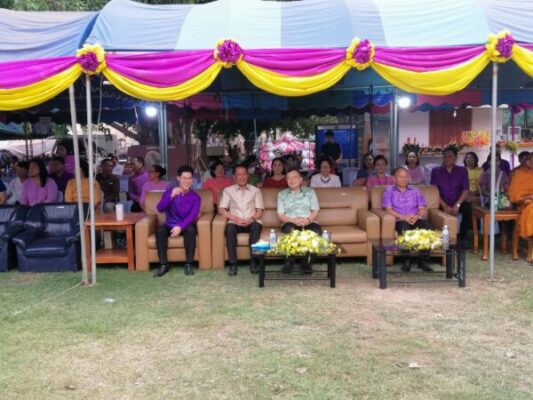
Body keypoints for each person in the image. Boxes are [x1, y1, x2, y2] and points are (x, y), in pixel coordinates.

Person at [153, 165, 201, 277]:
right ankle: (163, 265)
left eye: (189, 178)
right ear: (178, 178)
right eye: (184, 178)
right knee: (160, 230)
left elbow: (192, 216)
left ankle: (189, 264)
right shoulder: (169, 192)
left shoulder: (196, 197)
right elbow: (160, 208)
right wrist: (171, 196)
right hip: (170, 224)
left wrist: (180, 226)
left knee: (191, 230)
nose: (187, 181)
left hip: (186, 224)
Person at [218, 164, 264, 276]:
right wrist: (234, 218)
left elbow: (259, 211)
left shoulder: (256, 190)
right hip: (235, 221)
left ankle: (254, 262)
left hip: (251, 220)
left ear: (248, 175)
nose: (242, 177)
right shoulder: (228, 191)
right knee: (229, 229)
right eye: (239, 175)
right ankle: (233, 264)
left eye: (244, 174)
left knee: (256, 227)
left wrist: (252, 219)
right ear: (234, 177)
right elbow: (222, 209)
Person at [383, 167, 432, 272]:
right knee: (405, 229)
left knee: (427, 227)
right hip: (400, 220)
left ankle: (423, 261)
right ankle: (406, 260)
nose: (403, 179)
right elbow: (388, 209)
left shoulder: (416, 190)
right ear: (394, 178)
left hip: (415, 218)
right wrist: (403, 217)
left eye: (406, 177)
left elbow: (422, 207)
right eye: (400, 177)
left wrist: (417, 216)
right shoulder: (389, 191)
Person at [277, 168, 321, 274]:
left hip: (308, 221)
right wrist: (293, 220)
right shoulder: (282, 194)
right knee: (288, 229)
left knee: (315, 230)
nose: (292, 180)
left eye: (295, 177)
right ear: (286, 180)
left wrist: (308, 220)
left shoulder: (310, 192)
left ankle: (307, 262)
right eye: (289, 178)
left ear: (301, 179)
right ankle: (289, 262)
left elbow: (315, 210)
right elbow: (280, 215)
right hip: (290, 221)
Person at [430, 147, 470, 241]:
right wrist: (444, 206)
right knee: (433, 211)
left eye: (450, 156)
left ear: (455, 158)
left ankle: (462, 238)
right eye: (445, 156)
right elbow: (434, 191)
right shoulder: (435, 171)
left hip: (458, 201)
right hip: (441, 202)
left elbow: (465, 190)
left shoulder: (462, 170)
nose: (447, 158)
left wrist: (457, 205)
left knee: (468, 209)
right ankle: (439, 239)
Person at [509, 153, 533, 241]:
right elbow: (513, 194)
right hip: (524, 203)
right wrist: (527, 197)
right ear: (528, 162)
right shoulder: (519, 174)